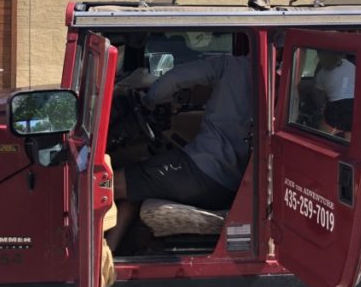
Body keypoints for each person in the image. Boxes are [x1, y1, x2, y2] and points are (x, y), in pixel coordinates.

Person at [106, 52, 252, 250]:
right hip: (231, 185)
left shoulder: (231, 65)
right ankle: (109, 253)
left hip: (199, 172)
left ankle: (89, 257)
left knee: (104, 186)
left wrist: (148, 101)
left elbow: (174, 79)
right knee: (134, 187)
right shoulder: (277, 82)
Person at [313, 50, 356, 134]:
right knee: (349, 137)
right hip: (353, 106)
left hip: (335, 109)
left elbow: (319, 100)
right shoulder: (349, 65)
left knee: (321, 136)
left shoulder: (320, 75)